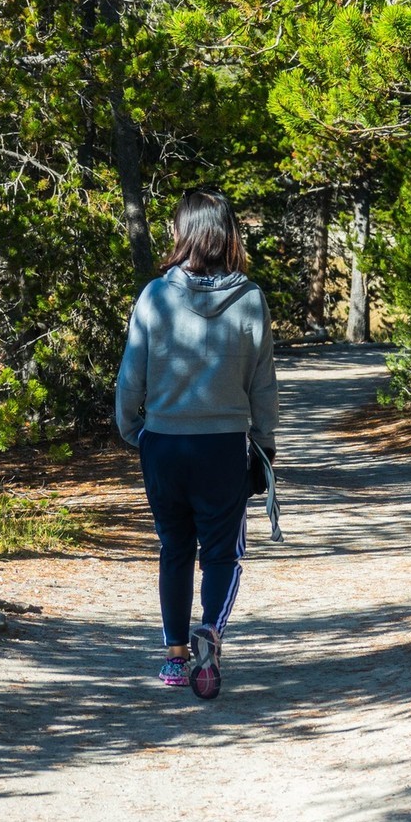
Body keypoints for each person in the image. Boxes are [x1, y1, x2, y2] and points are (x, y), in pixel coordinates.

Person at [115, 189, 279, 700]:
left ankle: (173, 657)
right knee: (223, 555)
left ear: (183, 233)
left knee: (175, 549)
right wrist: (265, 445)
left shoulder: (155, 296)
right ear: (228, 233)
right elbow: (263, 383)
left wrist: (133, 431)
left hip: (163, 444)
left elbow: (130, 378)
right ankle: (210, 629)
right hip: (223, 447)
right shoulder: (250, 298)